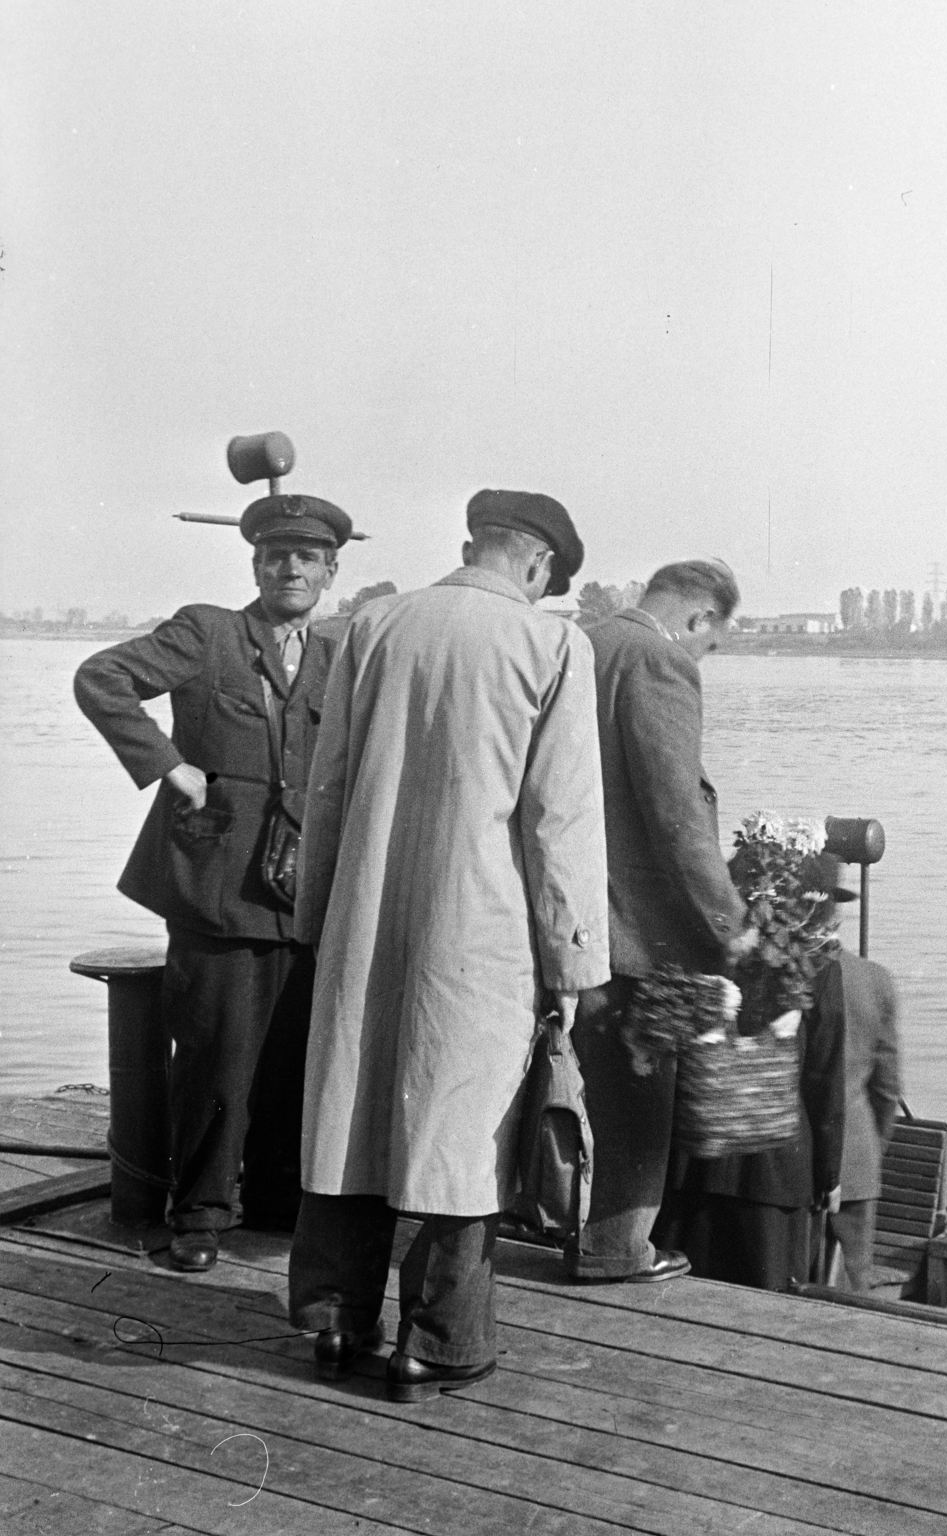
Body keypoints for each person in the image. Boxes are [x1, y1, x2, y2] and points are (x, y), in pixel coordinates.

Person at [288, 489, 609, 1400]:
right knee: (462, 1132)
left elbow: (328, 787)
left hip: (366, 911)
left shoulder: (372, 626)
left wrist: (320, 917)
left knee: (351, 1109)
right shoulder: (552, 645)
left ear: (473, 545)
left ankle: (333, 1321)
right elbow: (562, 824)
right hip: (480, 924)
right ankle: (438, 1342)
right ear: (541, 567)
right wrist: (576, 961)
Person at [74, 492, 352, 1272]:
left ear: (331, 572)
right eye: (275, 556)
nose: (289, 569)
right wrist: (171, 768)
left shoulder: (341, 658)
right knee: (213, 1056)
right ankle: (197, 1213)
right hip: (214, 887)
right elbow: (102, 678)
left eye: (306, 558)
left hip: (305, 897)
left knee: (292, 1057)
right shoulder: (208, 631)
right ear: (256, 565)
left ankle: (273, 1204)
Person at [565, 559, 755, 1284]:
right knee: (641, 1093)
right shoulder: (660, 661)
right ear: (701, 617)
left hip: (574, 910)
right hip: (641, 929)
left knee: (591, 1088)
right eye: (712, 641)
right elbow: (678, 817)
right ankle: (617, 1248)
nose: (705, 654)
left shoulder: (582, 642)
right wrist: (729, 921)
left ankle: (576, 1229)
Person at [652, 848, 849, 1292]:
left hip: (696, 1165)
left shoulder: (704, 950)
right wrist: (828, 1176)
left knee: (685, 1306)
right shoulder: (819, 962)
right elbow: (824, 1075)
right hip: (778, 1171)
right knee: (768, 1316)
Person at [825, 879, 902, 1291]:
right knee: (854, 1284)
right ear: (837, 914)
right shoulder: (875, 980)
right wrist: (873, 1146)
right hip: (854, 1159)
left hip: (788, 1164)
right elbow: (888, 1090)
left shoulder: (779, 974)